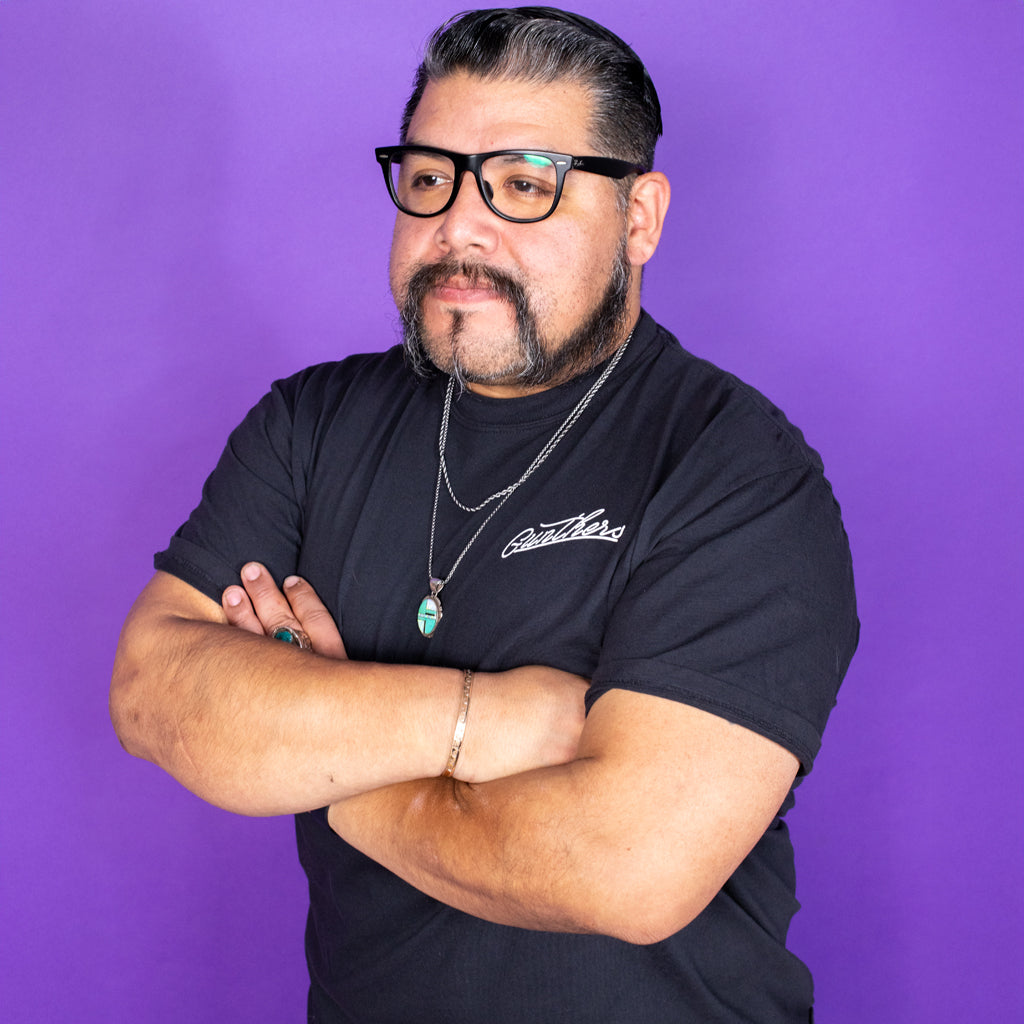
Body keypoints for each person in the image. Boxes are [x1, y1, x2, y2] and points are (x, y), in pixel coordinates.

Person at [110, 7, 858, 1022]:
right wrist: (493, 718)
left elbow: (625, 868)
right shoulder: (312, 423)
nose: (459, 228)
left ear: (639, 216)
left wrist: (331, 759)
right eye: (429, 180)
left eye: (523, 184)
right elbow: (155, 691)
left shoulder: (732, 469)